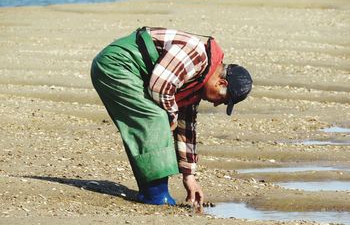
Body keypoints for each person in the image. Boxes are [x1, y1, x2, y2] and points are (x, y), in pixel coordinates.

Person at [90, 26, 252, 208]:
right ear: (221, 82)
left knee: (162, 116)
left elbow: (186, 128)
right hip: (116, 65)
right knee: (156, 118)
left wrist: (189, 176)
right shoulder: (196, 55)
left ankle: (149, 192)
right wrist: (171, 117)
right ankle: (157, 196)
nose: (216, 104)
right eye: (222, 100)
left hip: (129, 71)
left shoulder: (197, 81)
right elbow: (160, 86)